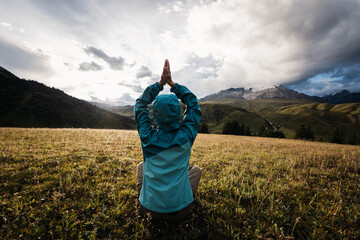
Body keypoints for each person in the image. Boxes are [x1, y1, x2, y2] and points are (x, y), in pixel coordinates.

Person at [134, 59, 202, 222]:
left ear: (155, 116)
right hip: (180, 211)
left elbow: (140, 104)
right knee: (196, 170)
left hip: (148, 209)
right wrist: (173, 84)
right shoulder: (186, 136)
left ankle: (143, 197)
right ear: (178, 114)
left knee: (141, 167)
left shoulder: (147, 138)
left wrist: (159, 85)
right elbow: (193, 106)